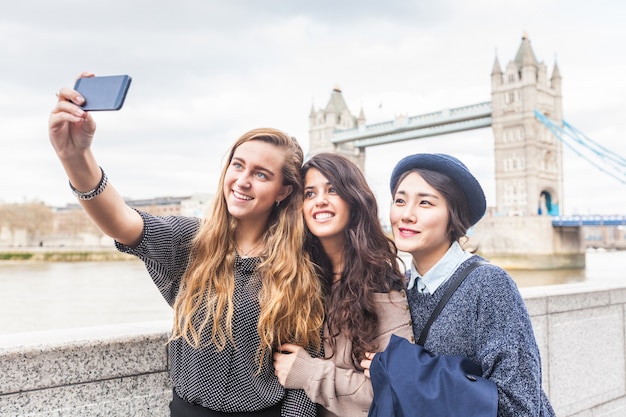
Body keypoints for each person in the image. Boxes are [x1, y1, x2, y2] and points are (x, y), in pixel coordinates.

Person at [48, 73, 325, 417]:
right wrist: (75, 157)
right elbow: (121, 221)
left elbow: (307, 361)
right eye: (237, 166)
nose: (242, 180)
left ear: (283, 191)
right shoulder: (189, 241)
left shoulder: (302, 266)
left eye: (261, 174)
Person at [362, 153, 555, 416]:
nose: (406, 215)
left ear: (454, 216)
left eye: (425, 203)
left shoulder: (489, 285)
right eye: (400, 200)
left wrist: (402, 368)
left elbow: (520, 406)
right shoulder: (399, 289)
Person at [272, 153, 413, 417]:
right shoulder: (298, 278)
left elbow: (393, 394)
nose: (320, 200)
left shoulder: (382, 285)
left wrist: (309, 373)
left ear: (354, 199)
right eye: (310, 194)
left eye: (333, 190)